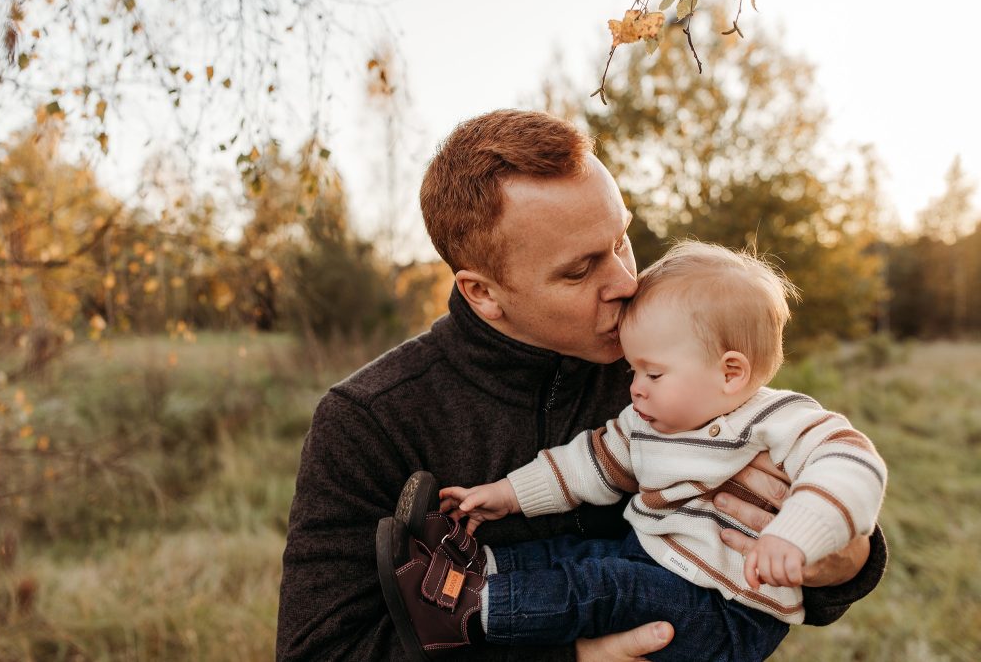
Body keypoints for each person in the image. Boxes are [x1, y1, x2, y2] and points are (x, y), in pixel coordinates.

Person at [276, 110, 888, 661]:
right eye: (579, 269)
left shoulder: (671, 359)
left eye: (622, 238)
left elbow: (817, 508)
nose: (626, 280)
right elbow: (322, 651)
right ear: (482, 292)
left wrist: (846, 561)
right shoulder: (369, 418)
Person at [376, 242, 887, 661]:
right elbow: (589, 465)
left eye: (653, 372)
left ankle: (467, 612)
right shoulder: (648, 421)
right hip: (656, 560)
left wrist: (794, 537)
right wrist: (508, 495)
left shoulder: (780, 419)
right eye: (633, 371)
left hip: (724, 614)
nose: (635, 388)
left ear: (731, 373)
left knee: (604, 584)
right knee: (576, 557)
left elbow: (852, 464)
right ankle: (469, 570)